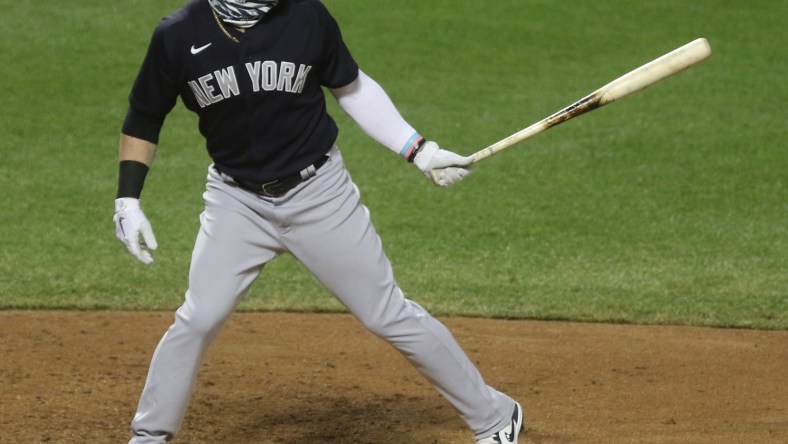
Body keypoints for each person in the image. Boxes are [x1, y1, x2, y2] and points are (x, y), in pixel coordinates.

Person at [113, 1, 523, 442]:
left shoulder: (306, 15)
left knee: (386, 313)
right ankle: (150, 435)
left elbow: (352, 87)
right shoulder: (177, 34)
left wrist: (418, 149)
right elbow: (144, 117)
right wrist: (127, 200)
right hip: (236, 202)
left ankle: (496, 416)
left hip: (319, 194)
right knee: (198, 318)